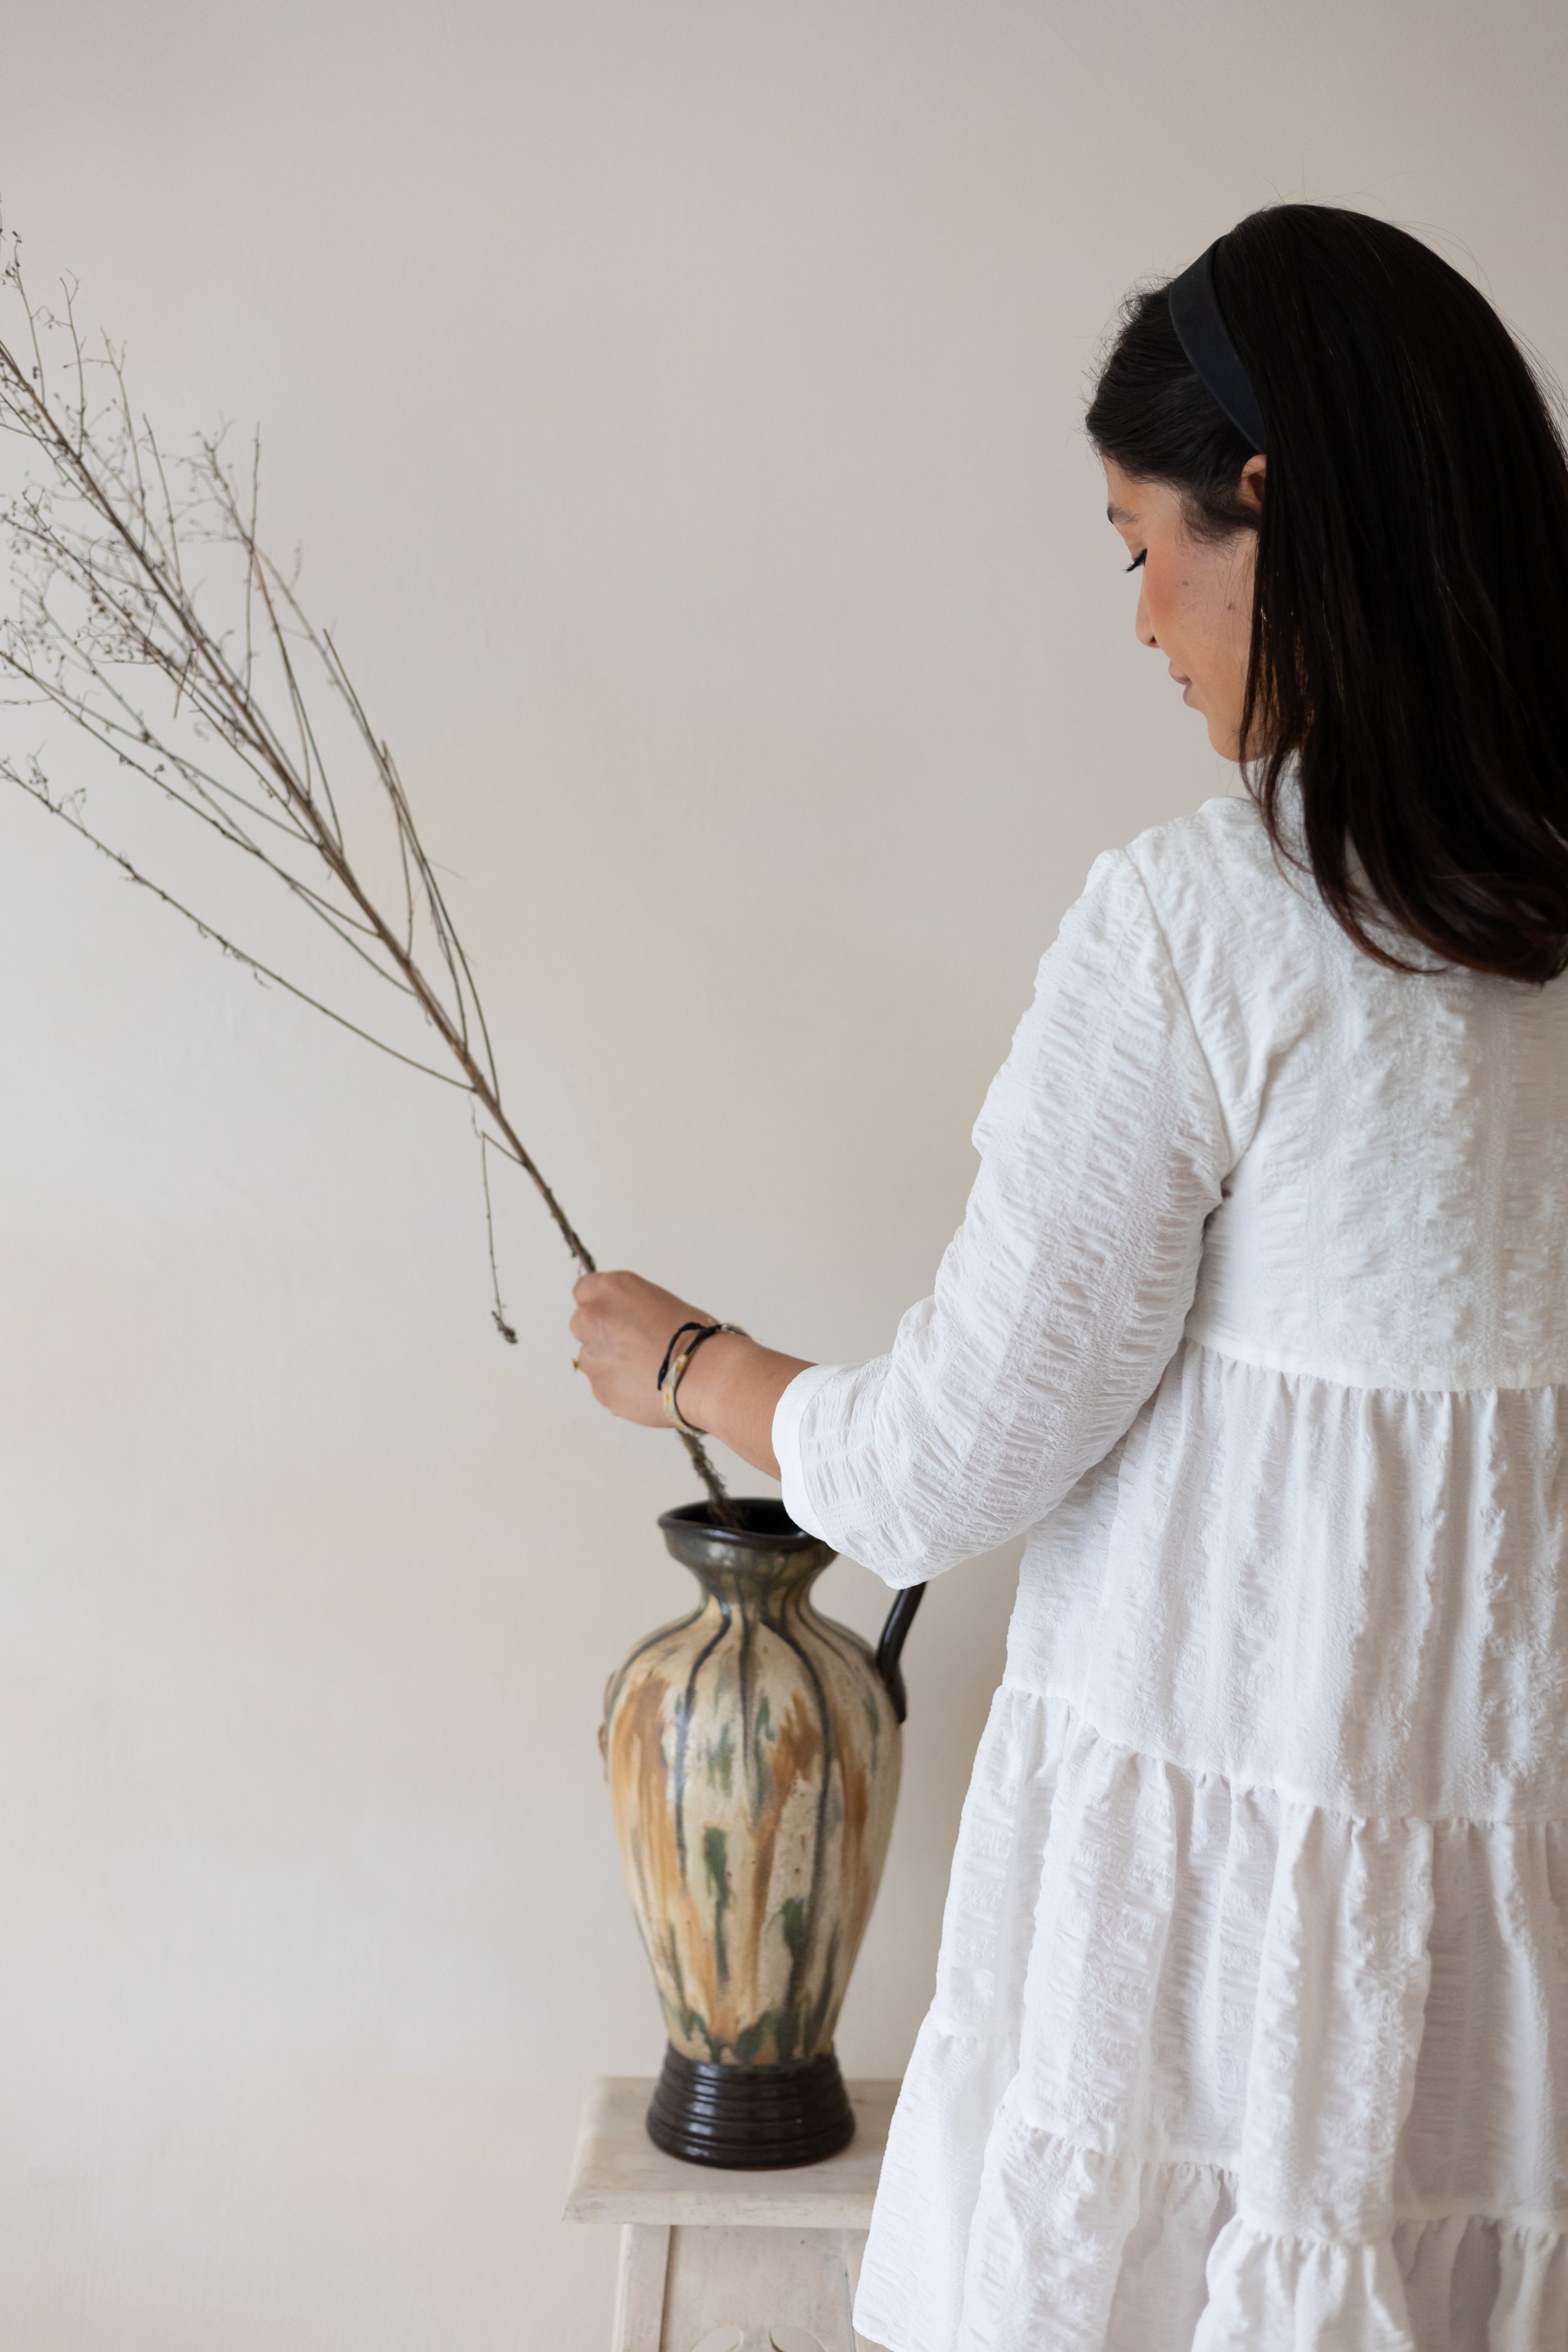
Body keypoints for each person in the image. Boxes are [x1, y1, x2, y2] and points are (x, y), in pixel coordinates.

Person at [569, 204, 1568, 2351]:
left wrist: (688, 1367)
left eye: (1138, 542)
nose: (1138, 620)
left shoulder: (1203, 931)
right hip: (1506, 2024)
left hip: (1221, 2023)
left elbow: (936, 1470)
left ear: (1270, 509)